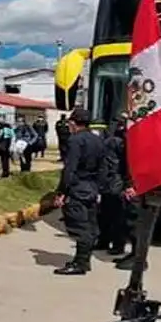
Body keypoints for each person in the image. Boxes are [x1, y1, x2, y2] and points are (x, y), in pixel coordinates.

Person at [52, 108, 116, 276]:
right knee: (89, 225)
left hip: (78, 187)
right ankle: (83, 260)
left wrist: (61, 192)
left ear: (73, 123)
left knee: (79, 227)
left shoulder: (75, 141)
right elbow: (104, 168)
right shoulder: (98, 140)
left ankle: (80, 263)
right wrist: (99, 188)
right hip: (92, 187)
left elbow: (70, 168)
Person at [97, 114, 130, 256]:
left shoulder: (121, 140)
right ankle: (105, 241)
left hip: (115, 181)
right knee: (106, 215)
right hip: (110, 181)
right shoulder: (116, 139)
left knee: (116, 216)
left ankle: (117, 244)